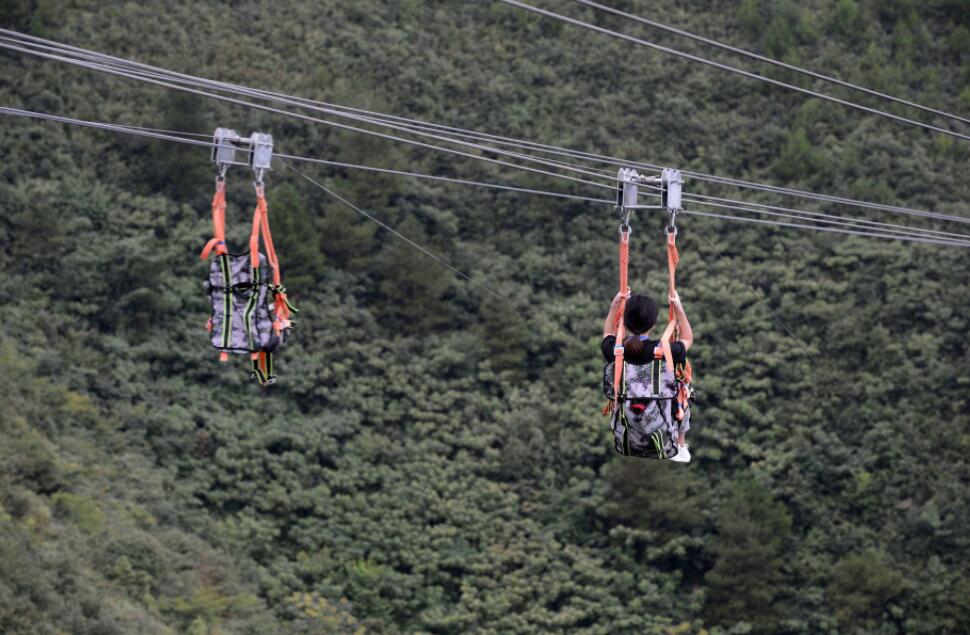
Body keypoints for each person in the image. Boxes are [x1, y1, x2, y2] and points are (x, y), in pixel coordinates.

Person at [602, 289, 694, 462]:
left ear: (625, 322)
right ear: (653, 324)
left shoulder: (617, 352)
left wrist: (614, 307)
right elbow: (687, 338)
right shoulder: (664, 352)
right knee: (683, 387)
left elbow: (607, 334)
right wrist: (679, 310)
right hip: (661, 422)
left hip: (628, 428)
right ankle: (680, 444)